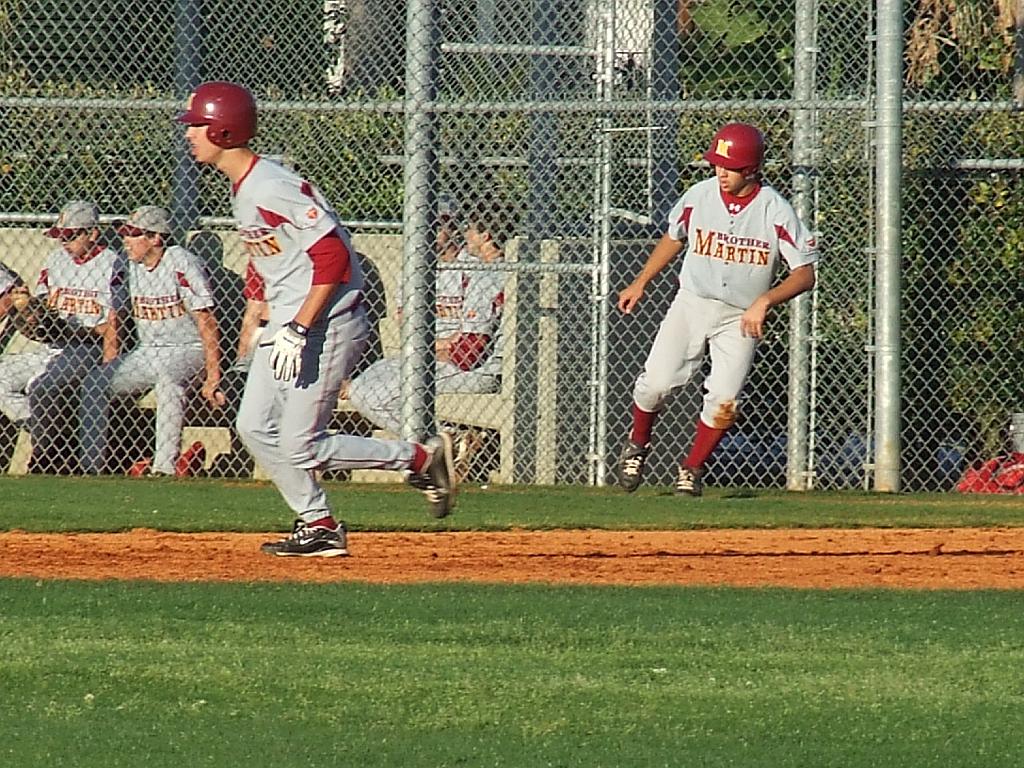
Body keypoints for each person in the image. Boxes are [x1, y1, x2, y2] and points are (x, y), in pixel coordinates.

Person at [177, 80, 456, 558]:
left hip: (324, 323)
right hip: (289, 323)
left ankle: (421, 458)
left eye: (197, 126)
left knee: (301, 446)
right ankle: (319, 524)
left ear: (223, 129)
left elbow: (333, 259)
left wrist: (301, 326)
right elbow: (285, 260)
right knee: (255, 427)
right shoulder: (246, 187)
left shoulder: (269, 185)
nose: (189, 134)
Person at [616, 122, 818, 497]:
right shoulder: (700, 196)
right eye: (717, 165)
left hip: (739, 317)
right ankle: (638, 443)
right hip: (692, 302)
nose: (721, 172)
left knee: (725, 400)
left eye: (731, 167)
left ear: (752, 169)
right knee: (655, 384)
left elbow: (804, 274)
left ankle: (691, 469)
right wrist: (641, 281)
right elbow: (674, 237)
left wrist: (765, 300)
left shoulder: (775, 210)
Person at [347, 199, 507, 480]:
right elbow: (407, 330)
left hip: (464, 368)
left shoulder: (475, 270)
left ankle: (434, 448)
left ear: (453, 227)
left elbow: (467, 351)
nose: (428, 232)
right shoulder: (415, 271)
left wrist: (430, 347)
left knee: (366, 395)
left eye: (437, 225)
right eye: (421, 226)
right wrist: (438, 345)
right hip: (427, 357)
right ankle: (450, 441)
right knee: (360, 384)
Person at [78, 206, 224, 476]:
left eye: (133, 234)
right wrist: (112, 363)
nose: (125, 239)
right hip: (146, 351)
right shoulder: (129, 267)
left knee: (168, 382)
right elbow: (115, 315)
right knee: (95, 384)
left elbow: (207, 320)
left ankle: (164, 468)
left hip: (188, 350)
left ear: (156, 238)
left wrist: (213, 375)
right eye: (125, 233)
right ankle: (91, 468)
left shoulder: (181, 262)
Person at [0, 200, 124, 473]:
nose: (63, 242)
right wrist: (30, 312)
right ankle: (53, 442)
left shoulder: (113, 264)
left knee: (41, 386)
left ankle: (46, 457)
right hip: (52, 347)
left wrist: (84, 336)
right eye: (59, 236)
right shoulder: (55, 260)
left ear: (91, 233)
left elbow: (116, 324)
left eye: (69, 236)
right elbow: (43, 311)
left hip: (87, 349)